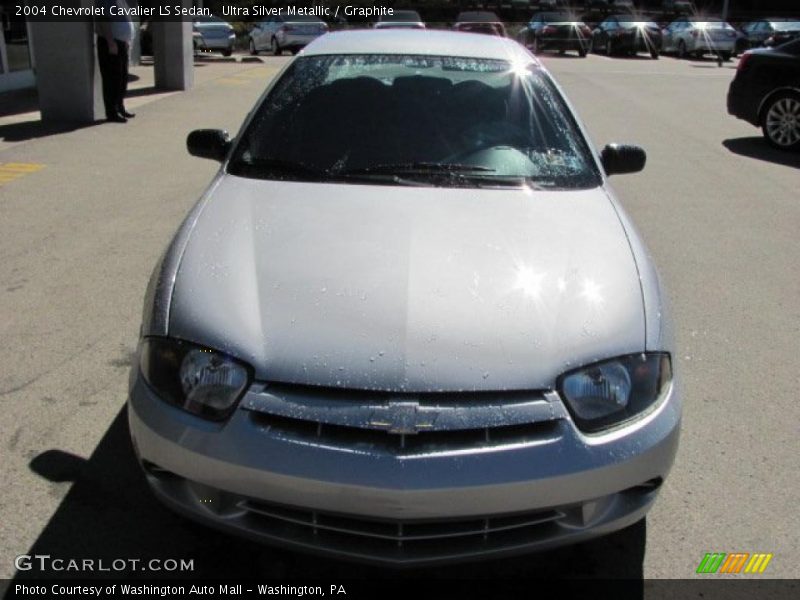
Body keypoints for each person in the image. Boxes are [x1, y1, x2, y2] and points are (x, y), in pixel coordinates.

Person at [95, 0, 135, 123]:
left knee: (122, 78)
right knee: (112, 79)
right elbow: (103, 20)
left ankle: (120, 107)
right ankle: (112, 112)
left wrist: (127, 40)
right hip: (111, 43)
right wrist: (110, 41)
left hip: (121, 43)